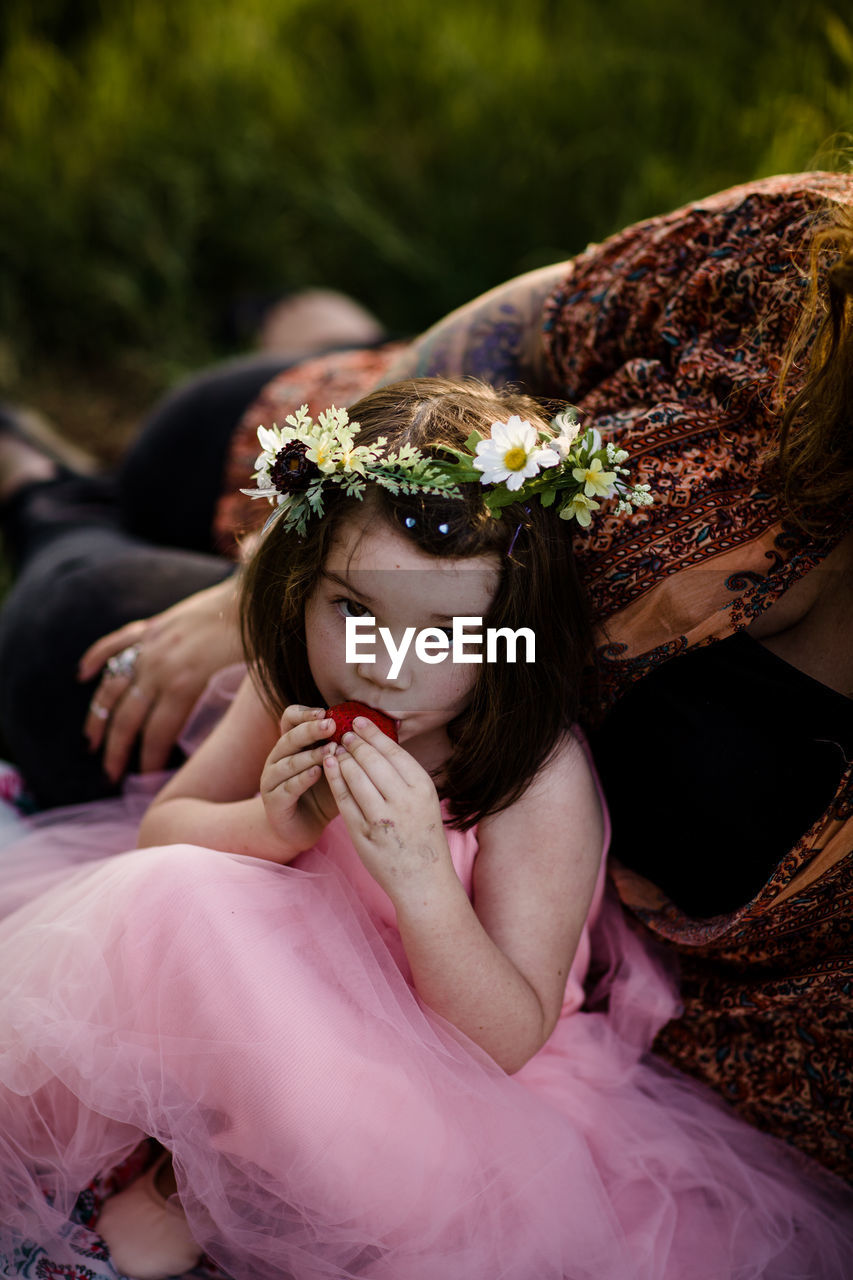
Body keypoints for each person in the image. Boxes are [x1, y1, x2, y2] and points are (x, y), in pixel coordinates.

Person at [0, 171, 851, 1180]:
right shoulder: (296, 687)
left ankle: (55, 488)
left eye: (447, 635)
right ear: (298, 592)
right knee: (90, 612)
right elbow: (167, 834)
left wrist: (419, 878)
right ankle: (225, 384)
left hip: (432, 1071)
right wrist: (271, 825)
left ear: (514, 636)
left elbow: (502, 1034)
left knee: (345, 1170)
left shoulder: (535, 774)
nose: (382, 661)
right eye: (350, 614)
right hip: (335, 459)